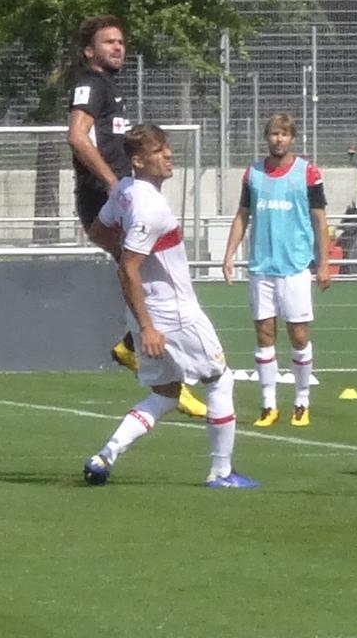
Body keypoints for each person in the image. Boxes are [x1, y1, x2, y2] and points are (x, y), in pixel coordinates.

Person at [82, 124, 256, 488]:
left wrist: (142, 316)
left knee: (166, 393)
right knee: (219, 380)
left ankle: (104, 456)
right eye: (158, 151)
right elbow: (128, 268)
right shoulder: (150, 207)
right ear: (138, 161)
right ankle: (221, 472)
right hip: (173, 314)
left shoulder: (125, 191)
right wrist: (148, 327)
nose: (168, 155)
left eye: (167, 148)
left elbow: (98, 232)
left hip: (146, 311)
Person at [66, 15, 207, 420]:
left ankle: (141, 354)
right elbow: (76, 136)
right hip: (103, 199)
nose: (118, 47)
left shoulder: (110, 87)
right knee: (142, 275)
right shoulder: (91, 85)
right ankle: (157, 365)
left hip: (120, 197)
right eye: (108, 41)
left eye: (121, 41)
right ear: (89, 51)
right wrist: (113, 183)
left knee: (149, 273)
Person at [222, 113, 330, 427]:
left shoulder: (307, 173)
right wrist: (229, 254)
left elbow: (320, 220)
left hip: (295, 267)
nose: (278, 139)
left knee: (298, 335)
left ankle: (301, 401)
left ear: (292, 138)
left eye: (283, 134)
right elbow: (242, 215)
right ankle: (268, 404)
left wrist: (323, 264)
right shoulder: (253, 173)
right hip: (261, 267)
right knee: (264, 334)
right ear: (266, 137)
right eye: (273, 133)